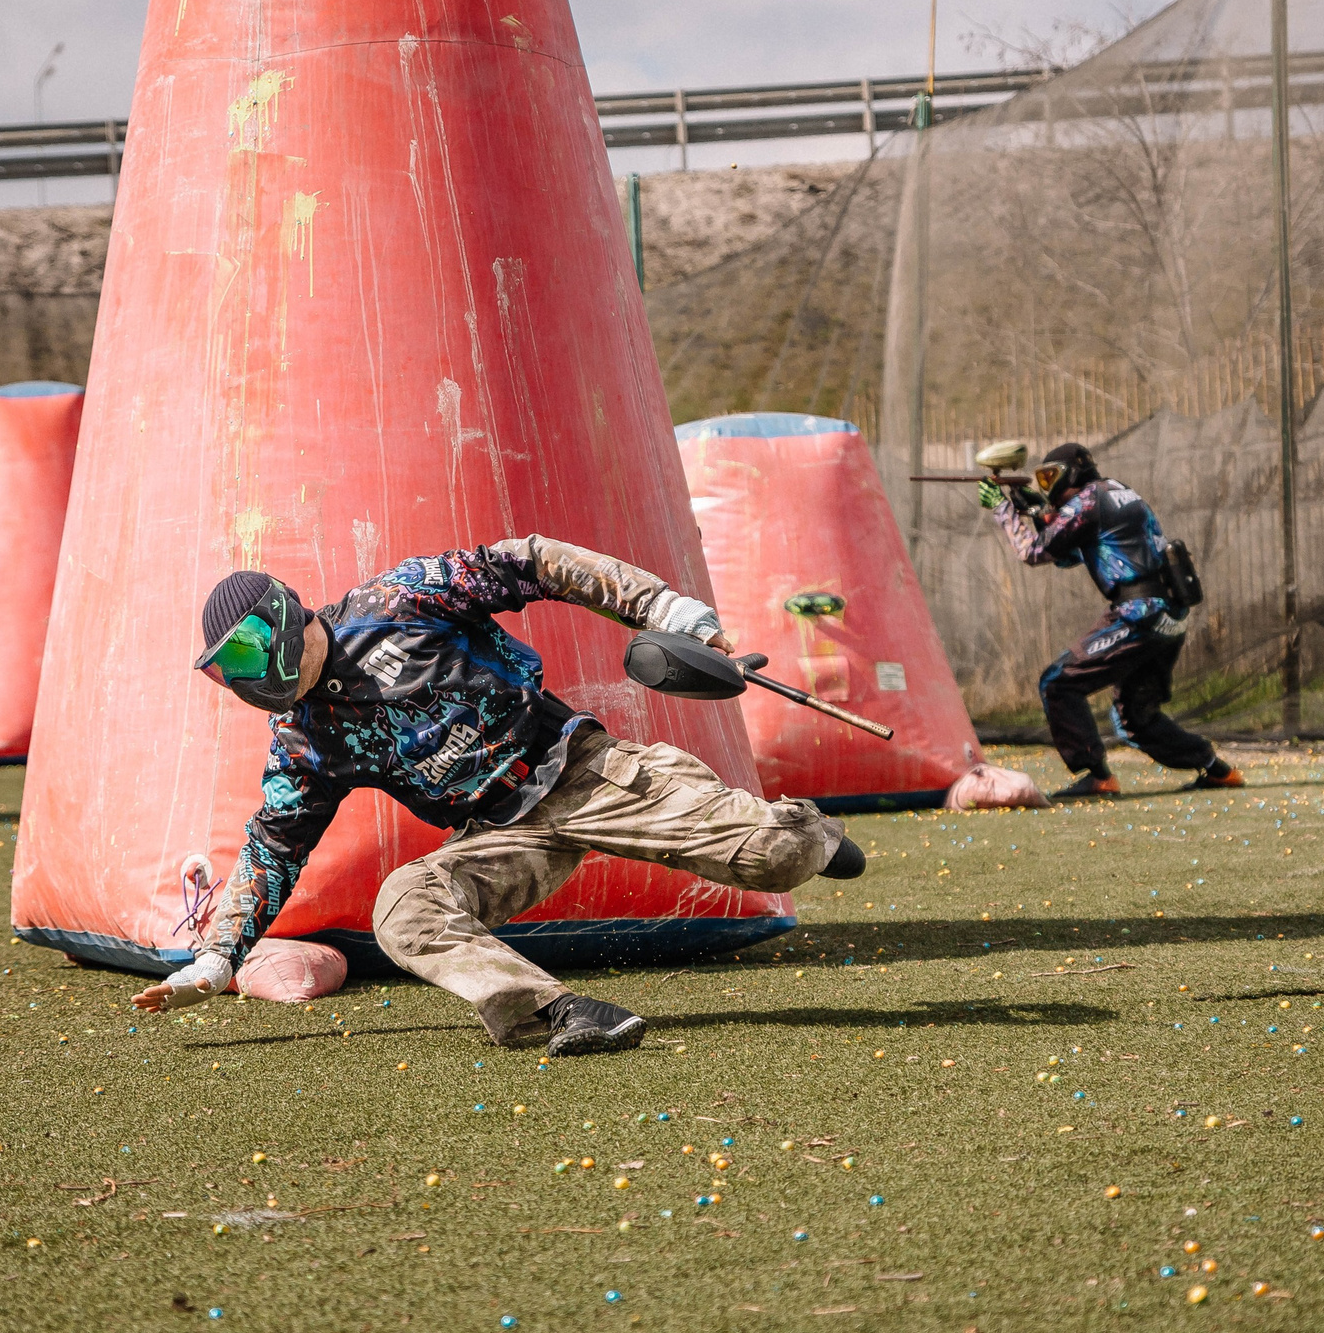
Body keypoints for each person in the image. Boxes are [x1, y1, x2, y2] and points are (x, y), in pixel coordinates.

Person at [129, 538, 866, 1055]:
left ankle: (806, 830)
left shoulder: (399, 600)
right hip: (497, 834)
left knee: (775, 855)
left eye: (249, 649)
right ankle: (555, 1011)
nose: (248, 673)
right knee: (402, 907)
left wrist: (662, 607)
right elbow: (273, 844)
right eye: (231, 669)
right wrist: (219, 957)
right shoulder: (306, 739)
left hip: (581, 769)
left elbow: (536, 562)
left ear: (283, 615)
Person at [980, 441, 1246, 798]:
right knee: (1136, 717)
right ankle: (1217, 770)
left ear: (1071, 474)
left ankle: (1098, 777)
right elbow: (1073, 553)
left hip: (1138, 614)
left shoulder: (1087, 503)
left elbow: (1034, 552)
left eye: (1051, 477)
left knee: (1058, 683)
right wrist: (1038, 512)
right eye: (1041, 479)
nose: (1047, 486)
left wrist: (1003, 509)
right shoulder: (1116, 491)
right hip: (1169, 614)